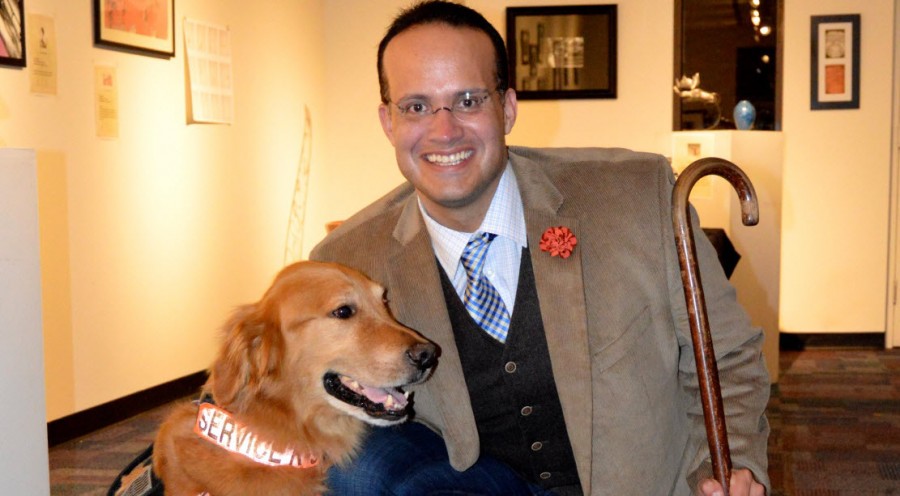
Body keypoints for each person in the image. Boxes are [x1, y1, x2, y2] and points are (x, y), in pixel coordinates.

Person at [310, 1, 770, 495]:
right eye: (416, 106)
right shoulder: (345, 264)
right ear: (388, 121)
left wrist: (726, 467)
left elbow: (728, 359)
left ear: (506, 108)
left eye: (468, 101)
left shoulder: (637, 197)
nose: (444, 131)